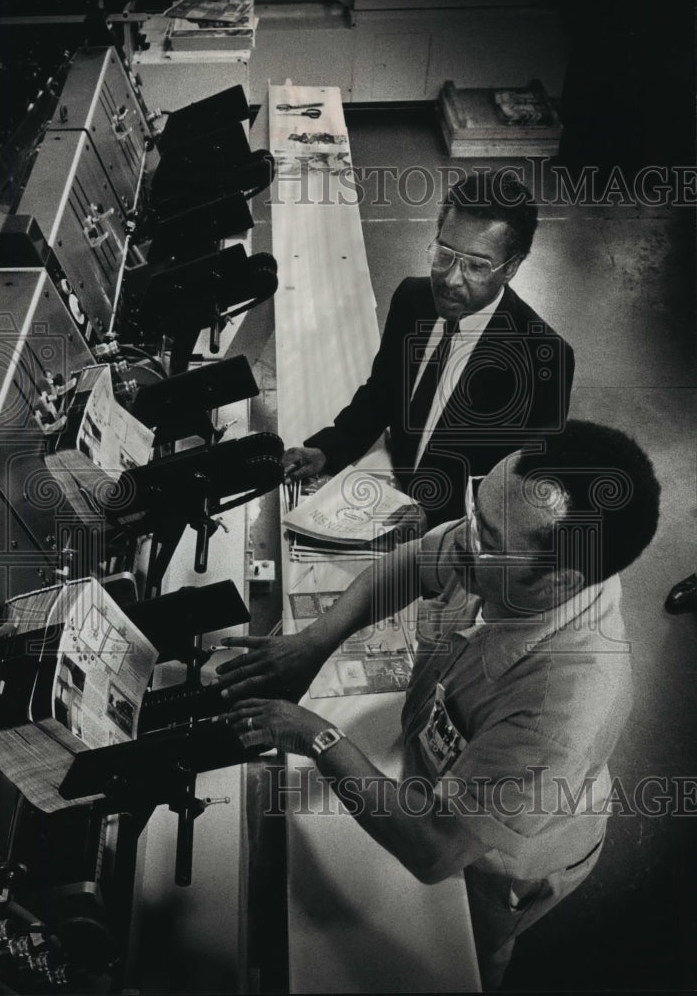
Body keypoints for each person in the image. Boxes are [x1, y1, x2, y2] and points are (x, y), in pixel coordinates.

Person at [217, 420, 660, 990]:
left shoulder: (563, 711)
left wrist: (319, 738)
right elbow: (414, 561)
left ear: (559, 581)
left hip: (496, 862)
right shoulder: (505, 542)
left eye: (488, 541)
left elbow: (434, 850)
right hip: (433, 762)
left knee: (460, 958)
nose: (463, 540)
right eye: (476, 511)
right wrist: (313, 643)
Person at [283, 170, 575, 528]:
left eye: (476, 266)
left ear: (511, 267)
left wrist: (438, 518)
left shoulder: (544, 357)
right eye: (445, 253)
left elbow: (520, 484)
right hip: (390, 491)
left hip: (454, 531)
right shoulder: (412, 298)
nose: (451, 279)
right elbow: (383, 393)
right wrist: (330, 448)